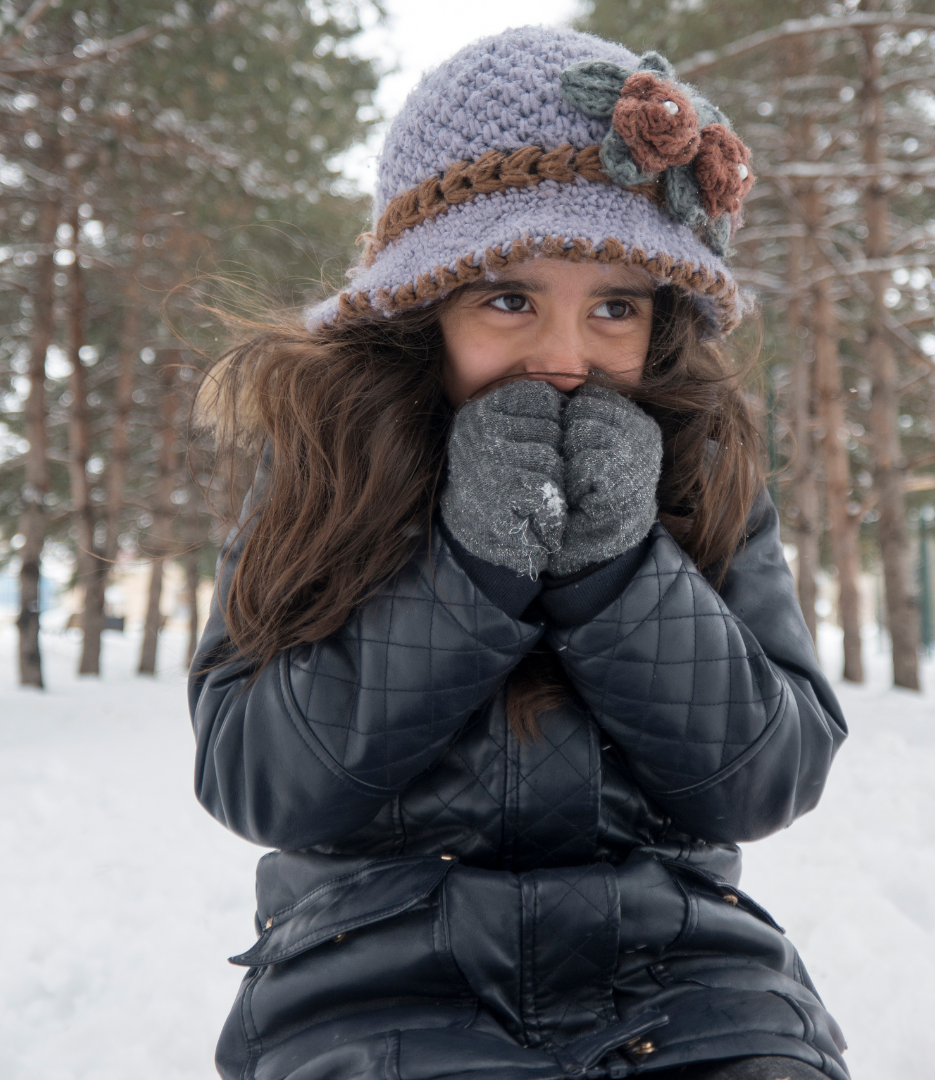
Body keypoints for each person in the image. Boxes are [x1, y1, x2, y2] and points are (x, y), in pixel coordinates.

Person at [189, 25, 850, 1080]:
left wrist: (619, 573)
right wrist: (470, 571)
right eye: (509, 299)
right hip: (371, 984)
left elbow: (766, 778)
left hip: (689, 981)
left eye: (616, 306)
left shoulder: (701, 469)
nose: (564, 355)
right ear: (420, 311)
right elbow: (257, 778)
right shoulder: (324, 468)